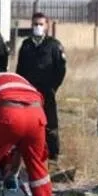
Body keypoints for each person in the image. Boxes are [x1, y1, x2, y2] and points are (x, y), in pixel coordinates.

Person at [15, 12, 67, 163]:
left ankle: (53, 155)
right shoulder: (26, 45)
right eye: (35, 24)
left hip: (47, 91)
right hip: (29, 92)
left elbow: (61, 69)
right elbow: (20, 68)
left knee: (50, 123)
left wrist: (53, 87)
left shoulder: (54, 45)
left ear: (46, 26)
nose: (37, 27)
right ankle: (29, 153)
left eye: (40, 24)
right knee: (29, 123)